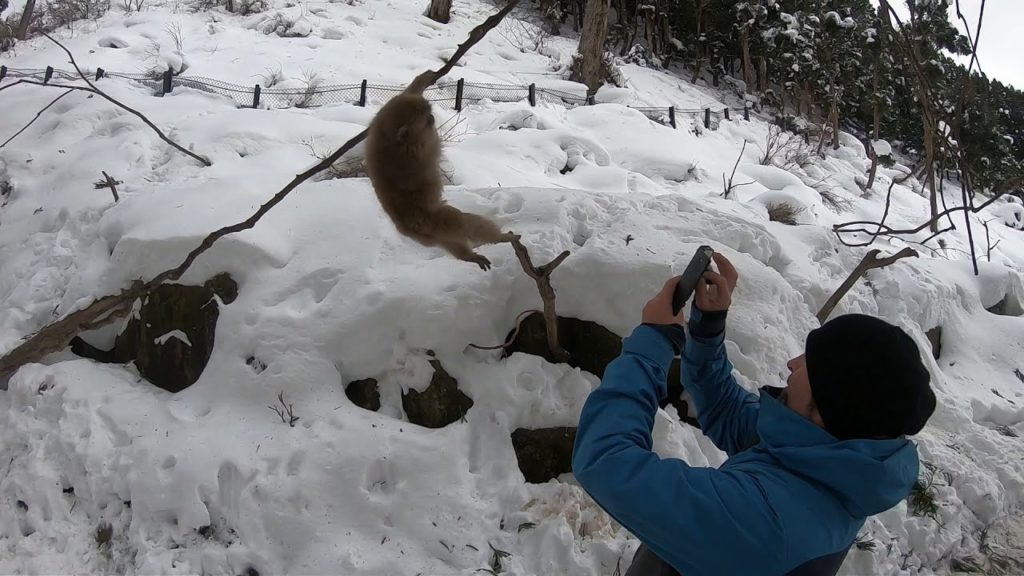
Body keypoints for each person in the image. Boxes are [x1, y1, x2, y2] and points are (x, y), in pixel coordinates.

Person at [572, 252, 936, 576]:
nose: (793, 364)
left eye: (809, 363)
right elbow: (729, 412)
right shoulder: (837, 460)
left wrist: (652, 342)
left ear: (824, 412)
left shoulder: (765, 525)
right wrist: (708, 327)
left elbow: (607, 461)